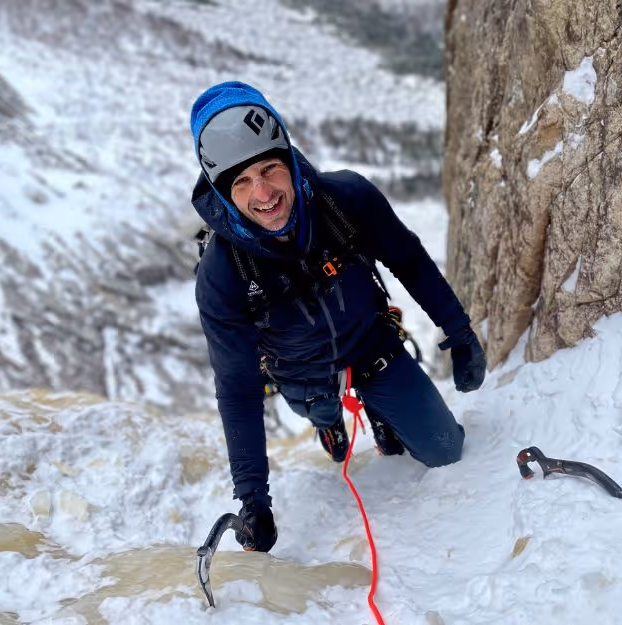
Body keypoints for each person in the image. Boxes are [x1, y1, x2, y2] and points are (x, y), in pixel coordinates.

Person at [190, 81, 486, 553]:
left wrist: (459, 329)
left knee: (446, 450)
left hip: (371, 345)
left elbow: (408, 260)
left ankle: (381, 410)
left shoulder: (344, 199)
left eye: (269, 169)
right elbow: (238, 389)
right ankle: (329, 420)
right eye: (241, 183)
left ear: (288, 157)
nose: (263, 193)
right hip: (299, 372)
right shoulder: (223, 273)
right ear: (224, 194)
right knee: (322, 409)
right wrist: (253, 502)